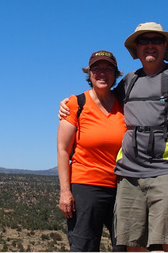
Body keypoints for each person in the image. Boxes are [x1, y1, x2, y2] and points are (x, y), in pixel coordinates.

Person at [59, 23, 168, 252]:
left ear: (164, 45)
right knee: (131, 243)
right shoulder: (130, 81)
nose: (150, 45)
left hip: (166, 171)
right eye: (143, 41)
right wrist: (68, 103)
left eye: (156, 40)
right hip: (129, 177)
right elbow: (100, 96)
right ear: (135, 48)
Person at [57, 51, 126, 251]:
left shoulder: (124, 105)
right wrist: (65, 192)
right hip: (86, 186)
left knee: (125, 245)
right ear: (89, 74)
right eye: (97, 69)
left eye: (108, 69)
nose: (102, 73)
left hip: (122, 187)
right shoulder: (76, 104)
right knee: (84, 246)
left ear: (115, 74)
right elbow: (63, 150)